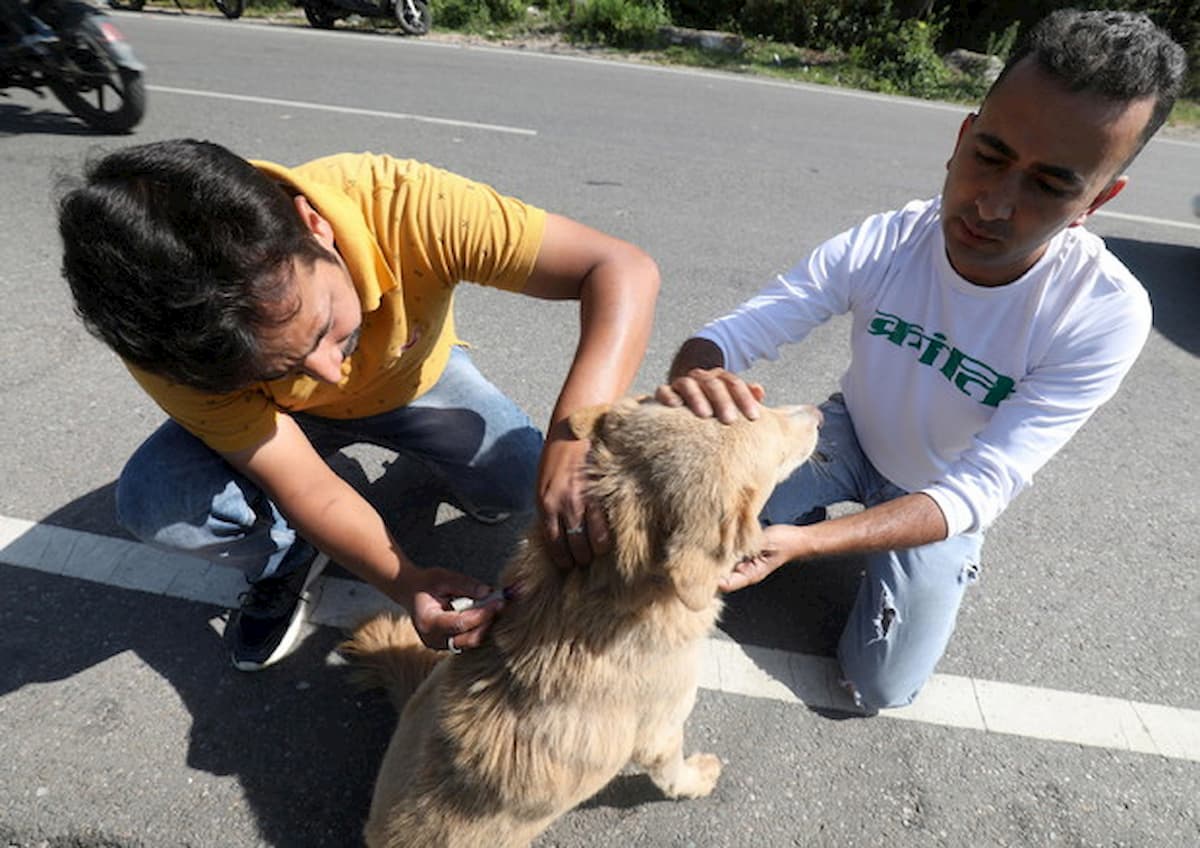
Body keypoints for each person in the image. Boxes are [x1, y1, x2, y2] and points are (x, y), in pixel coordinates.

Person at [656, 10, 1186, 713]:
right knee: (680, 536)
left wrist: (807, 544)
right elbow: (742, 329)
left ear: (1097, 200)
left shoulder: (1103, 314)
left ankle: (905, 557)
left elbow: (980, 489)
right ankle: (813, 510)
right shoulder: (893, 238)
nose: (994, 205)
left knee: (878, 688)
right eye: (990, 157)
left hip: (941, 491)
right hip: (845, 434)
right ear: (962, 137)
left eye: (1051, 186)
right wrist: (698, 372)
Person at [59, 140, 659, 671]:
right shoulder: (174, 343)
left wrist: (574, 438)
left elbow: (621, 268)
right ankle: (289, 553)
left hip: (415, 383)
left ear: (313, 225)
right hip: (280, 432)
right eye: (280, 368)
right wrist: (407, 583)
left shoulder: (403, 205)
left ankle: (423, 465)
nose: (327, 372)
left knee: (525, 486)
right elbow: (308, 487)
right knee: (157, 505)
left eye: (324, 327)